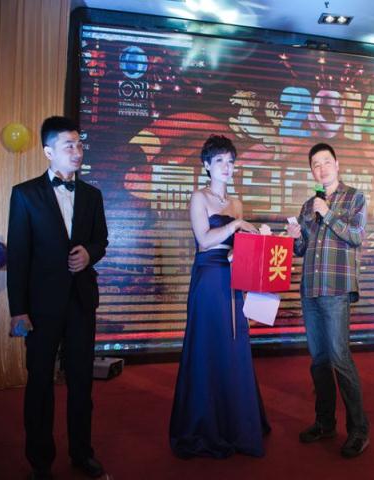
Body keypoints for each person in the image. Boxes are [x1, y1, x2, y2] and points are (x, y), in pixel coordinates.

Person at [7, 116, 109, 479]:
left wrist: (89, 254)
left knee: (81, 382)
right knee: (39, 383)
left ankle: (82, 452)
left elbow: (101, 241)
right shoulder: (25, 194)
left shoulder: (93, 195)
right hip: (40, 307)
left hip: (81, 302)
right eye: (69, 145)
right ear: (48, 151)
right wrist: (18, 311)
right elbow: (18, 256)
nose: (77, 151)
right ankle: (40, 462)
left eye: (80, 144)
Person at [169, 134, 270, 458]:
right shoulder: (199, 197)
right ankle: (204, 425)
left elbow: (236, 247)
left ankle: (236, 423)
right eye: (220, 161)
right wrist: (237, 224)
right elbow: (204, 239)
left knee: (234, 345)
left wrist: (259, 241)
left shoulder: (235, 202)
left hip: (232, 277)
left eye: (230, 161)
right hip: (208, 278)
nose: (227, 167)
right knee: (207, 347)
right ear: (207, 166)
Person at [286, 143, 369, 458]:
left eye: (325, 162)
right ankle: (325, 423)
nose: (321, 168)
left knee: (339, 358)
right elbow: (301, 249)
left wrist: (328, 213)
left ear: (337, 164)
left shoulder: (354, 197)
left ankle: (359, 431)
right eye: (315, 165)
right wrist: (296, 237)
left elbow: (356, 236)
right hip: (310, 289)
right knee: (319, 361)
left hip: (335, 289)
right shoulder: (309, 205)